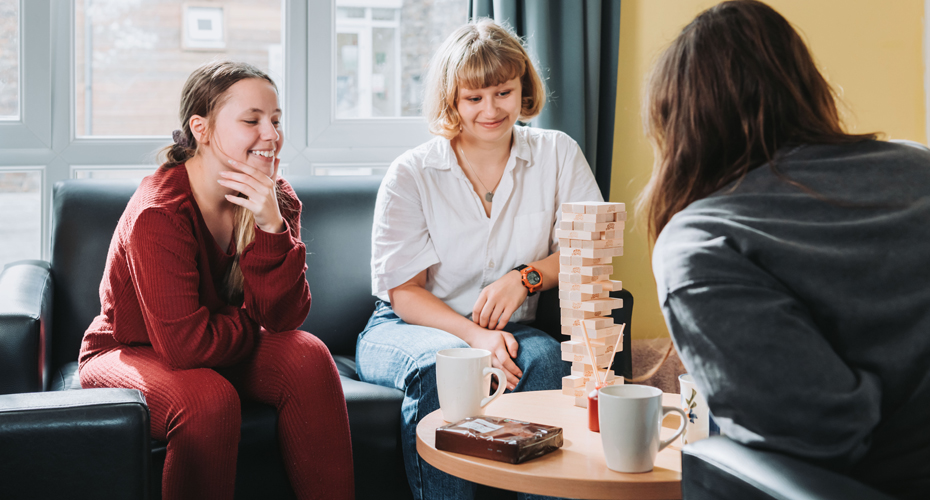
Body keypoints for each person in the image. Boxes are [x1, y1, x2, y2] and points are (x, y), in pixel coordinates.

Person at [641, 1, 930, 498]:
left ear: (679, 125)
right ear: (804, 84)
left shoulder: (700, 241)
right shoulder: (918, 165)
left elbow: (823, 432)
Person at [78, 61, 354, 500]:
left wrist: (270, 227)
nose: (272, 134)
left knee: (309, 356)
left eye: (276, 120)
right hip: (126, 351)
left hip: (207, 339)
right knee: (208, 400)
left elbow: (284, 319)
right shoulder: (159, 213)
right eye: (252, 120)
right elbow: (186, 346)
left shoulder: (273, 198)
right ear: (201, 128)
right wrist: (246, 321)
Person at [355, 19, 602, 500]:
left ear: (522, 89)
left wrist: (525, 279)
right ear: (452, 101)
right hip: (407, 326)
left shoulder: (558, 153)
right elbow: (405, 293)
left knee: (546, 359)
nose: (491, 110)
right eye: (474, 98)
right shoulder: (412, 172)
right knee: (446, 370)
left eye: (504, 93)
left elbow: (588, 250)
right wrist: (475, 337)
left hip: (509, 327)